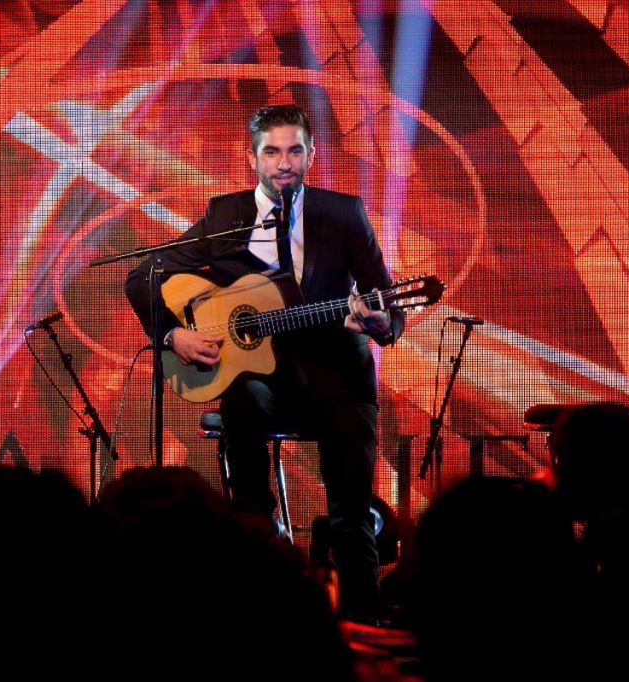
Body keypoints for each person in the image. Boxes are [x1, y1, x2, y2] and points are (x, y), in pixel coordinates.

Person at [124, 104, 403, 622]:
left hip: (335, 375)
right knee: (242, 403)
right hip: (259, 376)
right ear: (252, 158)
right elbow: (144, 277)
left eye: (295, 151)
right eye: (272, 152)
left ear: (311, 155)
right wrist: (173, 334)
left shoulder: (343, 214)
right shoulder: (224, 216)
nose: (284, 163)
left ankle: (362, 615)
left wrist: (382, 323)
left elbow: (388, 303)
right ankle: (259, 564)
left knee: (349, 506)